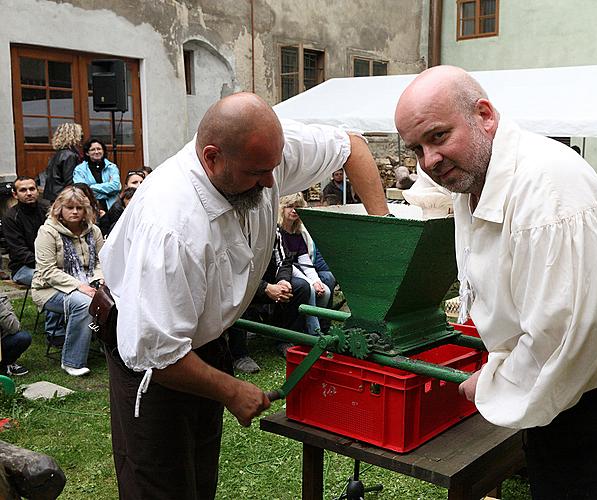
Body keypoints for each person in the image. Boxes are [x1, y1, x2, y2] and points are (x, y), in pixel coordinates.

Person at [394, 66, 597, 499]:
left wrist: (493, 382)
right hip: (564, 411)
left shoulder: (548, 191)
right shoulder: (473, 180)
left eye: (439, 137)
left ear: (485, 115)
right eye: (416, 148)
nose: (428, 161)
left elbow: (566, 337)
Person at [99, 92, 389, 499]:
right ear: (212, 158)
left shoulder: (263, 152)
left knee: (199, 478)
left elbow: (351, 146)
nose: (272, 182)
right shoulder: (172, 226)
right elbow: (157, 354)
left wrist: (384, 231)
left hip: (204, 340)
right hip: (152, 359)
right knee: (160, 485)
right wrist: (233, 390)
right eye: (258, 172)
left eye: (274, 166)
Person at [32, 186, 104, 377]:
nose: (74, 212)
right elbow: (47, 271)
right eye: (69, 207)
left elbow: (101, 260)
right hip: (49, 289)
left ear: (85, 210)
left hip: (88, 282)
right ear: (59, 209)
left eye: (79, 208)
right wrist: (80, 286)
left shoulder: (93, 230)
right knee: (84, 304)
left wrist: (98, 281)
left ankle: (110, 346)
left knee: (116, 296)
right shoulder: (47, 232)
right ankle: (72, 361)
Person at [278, 193, 332, 335]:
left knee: (325, 291)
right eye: (290, 206)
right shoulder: (278, 231)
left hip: (298, 271)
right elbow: (286, 263)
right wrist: (311, 282)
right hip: (282, 272)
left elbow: (305, 261)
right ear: (282, 208)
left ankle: (311, 325)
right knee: (309, 289)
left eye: (297, 207)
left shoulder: (297, 232)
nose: (294, 210)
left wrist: (317, 281)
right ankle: (314, 333)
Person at [2, 177, 50, 286]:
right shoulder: (10, 217)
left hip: (51, 263)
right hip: (23, 268)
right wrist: (45, 265)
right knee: (51, 280)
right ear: (15, 195)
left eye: (32, 189)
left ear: (37, 191)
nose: (29, 193)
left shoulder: (48, 210)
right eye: (23, 190)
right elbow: (19, 251)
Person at [73, 139, 121, 210]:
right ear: (87, 153)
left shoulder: (112, 167)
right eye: (92, 150)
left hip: (111, 208)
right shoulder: (79, 170)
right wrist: (108, 193)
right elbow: (82, 190)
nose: (96, 152)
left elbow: (116, 186)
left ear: (103, 151)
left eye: (99, 149)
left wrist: (91, 187)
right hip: (90, 207)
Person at [42, 122, 82, 202]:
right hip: (63, 196)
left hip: (54, 195)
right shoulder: (69, 155)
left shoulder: (58, 154)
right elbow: (70, 180)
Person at [0, 293, 31, 377]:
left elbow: (15, 328)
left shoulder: (2, 299)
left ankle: (7, 364)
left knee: (23, 338)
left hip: (2, 341)